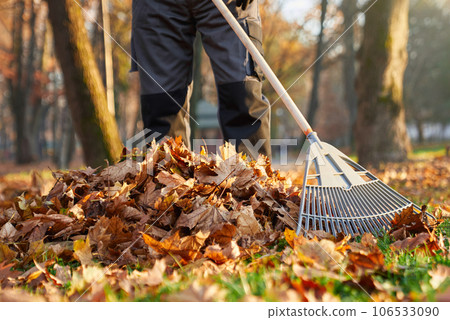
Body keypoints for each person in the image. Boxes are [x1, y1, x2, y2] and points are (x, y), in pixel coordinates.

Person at [131, 0, 271, 159]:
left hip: (229, 3)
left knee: (242, 96)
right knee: (161, 106)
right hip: (155, 5)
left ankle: (251, 179)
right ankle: (168, 180)